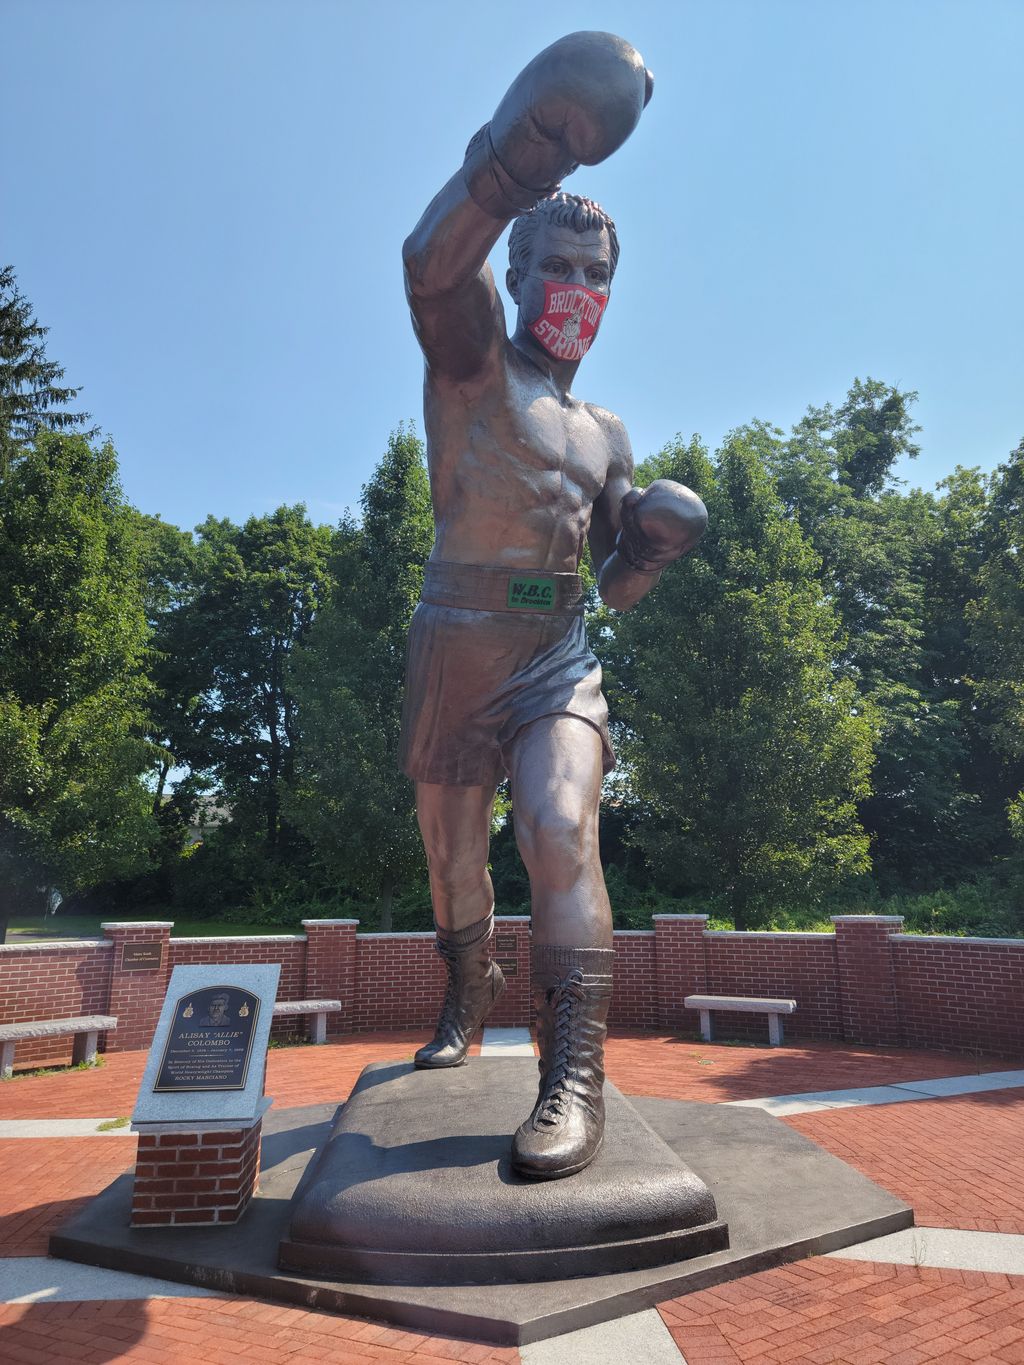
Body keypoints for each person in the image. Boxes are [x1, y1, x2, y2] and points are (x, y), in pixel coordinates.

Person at [400, 31, 707, 1180]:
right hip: (457, 640)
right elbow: (429, 263)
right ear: (520, 269)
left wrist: (657, 553)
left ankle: (572, 1077)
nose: (577, 290)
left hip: (555, 653)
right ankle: (465, 981)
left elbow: (617, 584)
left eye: (597, 274)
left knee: (557, 830)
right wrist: (518, 154)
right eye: (559, 267)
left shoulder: (607, 434)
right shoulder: (474, 362)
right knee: (453, 869)